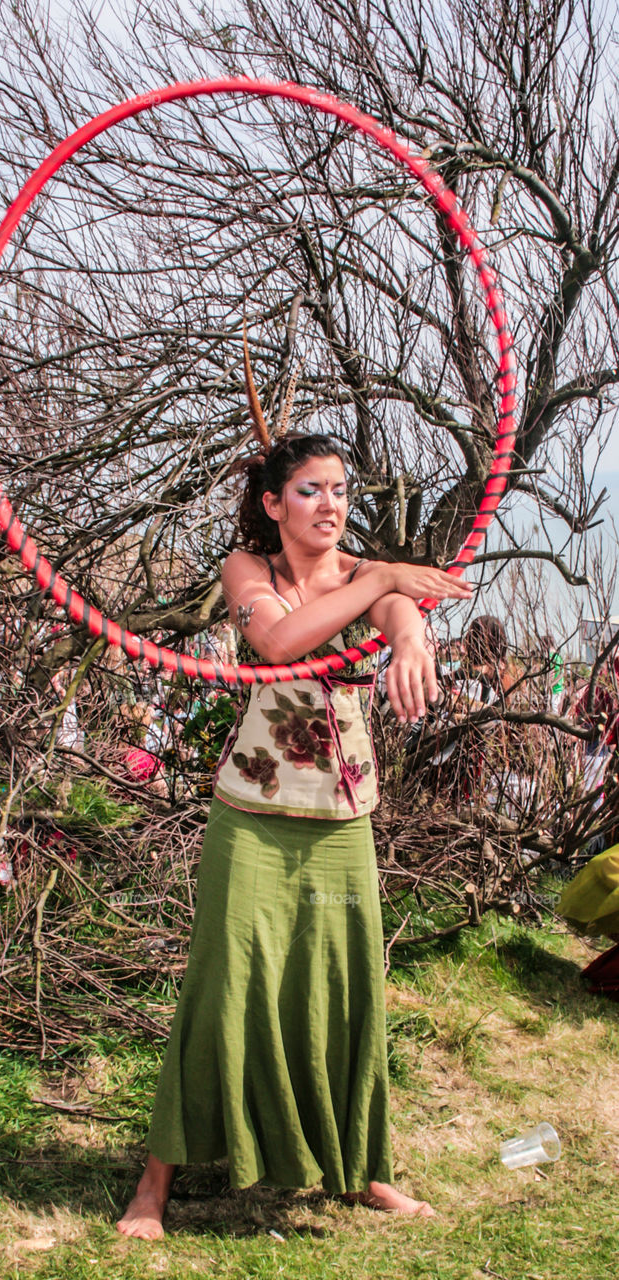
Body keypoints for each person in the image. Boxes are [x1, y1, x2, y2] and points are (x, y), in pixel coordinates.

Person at [116, 341, 473, 1239]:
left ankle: (362, 1170)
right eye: (310, 490)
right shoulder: (250, 572)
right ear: (273, 505)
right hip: (252, 815)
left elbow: (395, 616)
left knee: (348, 987)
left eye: (341, 491)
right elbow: (278, 647)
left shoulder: (364, 576)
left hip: (342, 819)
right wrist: (386, 581)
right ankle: (154, 1186)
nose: (330, 505)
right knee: (221, 985)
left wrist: (411, 633)